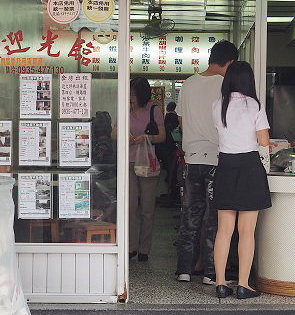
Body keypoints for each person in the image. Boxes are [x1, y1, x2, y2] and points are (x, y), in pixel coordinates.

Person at [174, 39, 239, 285]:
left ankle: (184, 270)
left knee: (189, 215)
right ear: (230, 62)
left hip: (191, 158)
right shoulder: (226, 85)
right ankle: (211, 273)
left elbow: (181, 119)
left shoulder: (189, 83)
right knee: (213, 218)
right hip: (216, 158)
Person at [211, 61, 271, 299]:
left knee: (224, 231)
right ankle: (244, 285)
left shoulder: (217, 105)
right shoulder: (254, 105)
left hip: (225, 165)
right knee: (247, 232)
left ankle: (220, 283)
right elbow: (264, 141)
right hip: (249, 167)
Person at [113, 77, 166, 262]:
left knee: (147, 207)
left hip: (147, 163)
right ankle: (130, 246)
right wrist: (122, 134)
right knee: (129, 206)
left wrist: (146, 137)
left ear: (142, 94)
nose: (130, 97)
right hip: (128, 161)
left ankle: (144, 248)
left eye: (134, 94)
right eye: (129, 94)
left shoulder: (153, 110)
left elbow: (162, 136)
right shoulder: (124, 109)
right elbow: (113, 133)